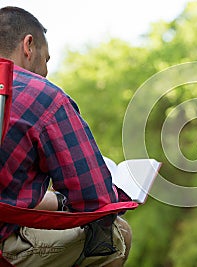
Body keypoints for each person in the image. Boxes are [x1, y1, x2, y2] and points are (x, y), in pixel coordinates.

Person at [0, 6, 132, 267]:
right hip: (3, 244)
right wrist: (122, 197)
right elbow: (94, 199)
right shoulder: (42, 96)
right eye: (46, 59)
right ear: (28, 46)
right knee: (117, 235)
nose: (46, 71)